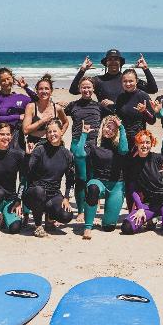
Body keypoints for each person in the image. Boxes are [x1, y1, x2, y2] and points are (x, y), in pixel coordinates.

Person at [64, 75, 113, 221]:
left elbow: (116, 115)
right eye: (83, 87)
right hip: (77, 144)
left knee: (92, 178)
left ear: (93, 89)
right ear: (79, 89)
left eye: (89, 87)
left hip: (94, 145)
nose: (86, 90)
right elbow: (58, 114)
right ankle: (80, 211)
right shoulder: (73, 105)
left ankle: (91, 207)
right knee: (80, 178)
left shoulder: (99, 106)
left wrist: (112, 104)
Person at [73, 116, 128, 240]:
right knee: (92, 188)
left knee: (108, 227)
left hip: (116, 185)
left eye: (113, 129)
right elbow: (78, 154)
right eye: (108, 127)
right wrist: (84, 134)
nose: (110, 130)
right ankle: (88, 227)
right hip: (98, 182)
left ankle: (106, 220)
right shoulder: (94, 144)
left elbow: (124, 150)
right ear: (103, 126)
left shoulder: (119, 145)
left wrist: (121, 127)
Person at [23, 119, 75, 237]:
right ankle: (38, 226)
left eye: (55, 131)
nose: (52, 134)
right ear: (46, 135)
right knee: (39, 191)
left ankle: (49, 216)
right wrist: (27, 156)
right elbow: (27, 171)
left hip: (53, 193)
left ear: (61, 131)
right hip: (34, 193)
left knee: (66, 216)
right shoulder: (39, 150)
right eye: (49, 132)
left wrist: (66, 197)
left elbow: (71, 180)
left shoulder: (67, 154)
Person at [121, 130, 163, 237]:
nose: (145, 145)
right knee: (126, 228)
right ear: (137, 144)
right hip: (149, 204)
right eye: (142, 142)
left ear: (151, 143)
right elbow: (132, 189)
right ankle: (151, 218)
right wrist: (140, 208)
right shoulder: (132, 163)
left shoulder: (159, 158)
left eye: (147, 142)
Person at [69, 50, 158, 106]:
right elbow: (73, 90)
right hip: (106, 124)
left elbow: (152, 89)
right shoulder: (98, 80)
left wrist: (145, 69)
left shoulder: (127, 81)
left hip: (125, 122)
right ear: (106, 63)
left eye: (116, 59)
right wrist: (82, 70)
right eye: (110, 59)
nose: (113, 62)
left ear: (120, 63)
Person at [0, 67, 38, 150]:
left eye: (8, 78)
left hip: (17, 139)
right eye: (3, 80)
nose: (6, 82)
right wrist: (18, 117)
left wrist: (25, 87)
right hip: (0, 139)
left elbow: (37, 100)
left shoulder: (20, 97)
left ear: (12, 78)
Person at [114, 68, 157, 147]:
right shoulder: (120, 97)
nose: (128, 84)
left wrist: (144, 111)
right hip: (123, 139)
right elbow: (118, 117)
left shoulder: (143, 96)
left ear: (136, 81)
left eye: (131, 81)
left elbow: (152, 121)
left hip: (139, 140)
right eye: (125, 81)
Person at [22, 74, 69, 145]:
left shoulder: (57, 108)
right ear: (37, 91)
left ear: (51, 91)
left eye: (46, 88)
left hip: (53, 143)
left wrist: (61, 134)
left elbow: (66, 122)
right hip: (35, 143)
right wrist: (42, 121)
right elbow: (25, 130)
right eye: (40, 89)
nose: (44, 91)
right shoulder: (31, 107)